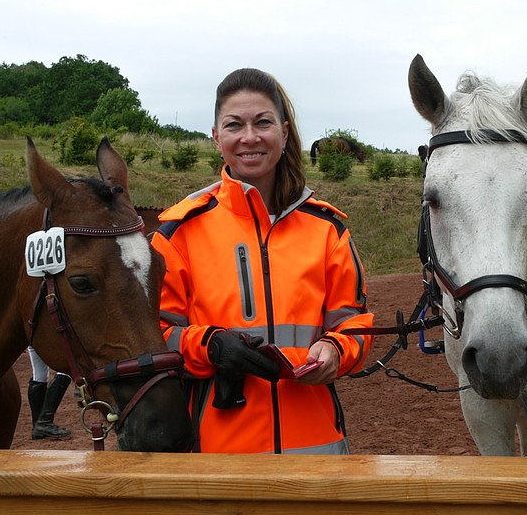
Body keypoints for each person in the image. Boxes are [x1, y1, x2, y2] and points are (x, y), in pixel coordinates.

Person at [151, 68, 375, 454]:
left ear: (284, 134)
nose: (249, 137)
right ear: (216, 136)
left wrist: (338, 351)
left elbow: (354, 323)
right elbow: (156, 334)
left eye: (263, 123)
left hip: (318, 451)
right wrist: (210, 345)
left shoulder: (327, 230)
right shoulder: (177, 233)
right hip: (219, 457)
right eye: (234, 125)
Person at [26, 346, 72, 439]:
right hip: (47, 338)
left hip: (32, 338)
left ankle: (38, 425)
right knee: (66, 368)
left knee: (39, 375)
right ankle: (44, 422)